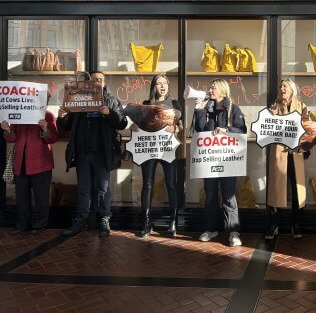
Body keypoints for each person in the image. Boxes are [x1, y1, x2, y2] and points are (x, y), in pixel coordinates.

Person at [58, 71, 127, 237]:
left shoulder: (110, 100)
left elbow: (122, 122)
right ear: (88, 83)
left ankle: (104, 219)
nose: (97, 82)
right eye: (94, 79)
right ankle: (81, 220)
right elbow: (67, 126)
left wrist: (108, 113)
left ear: (104, 83)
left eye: (100, 80)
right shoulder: (79, 98)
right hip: (82, 152)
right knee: (83, 189)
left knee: (103, 188)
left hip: (102, 153)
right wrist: (62, 117)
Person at [193, 78, 246, 247]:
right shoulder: (206, 108)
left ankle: (233, 231)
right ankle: (211, 229)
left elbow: (242, 130)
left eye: (213, 87)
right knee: (210, 195)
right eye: (210, 87)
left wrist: (227, 130)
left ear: (223, 91)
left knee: (228, 195)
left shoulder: (233, 108)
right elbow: (200, 131)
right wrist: (199, 111)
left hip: (228, 161)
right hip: (210, 161)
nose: (210, 90)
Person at [2, 95, 57, 234]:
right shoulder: (19, 115)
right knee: (21, 198)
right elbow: (11, 139)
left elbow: (53, 138)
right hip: (21, 162)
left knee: (41, 198)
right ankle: (22, 225)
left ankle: (40, 226)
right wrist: (8, 130)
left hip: (41, 163)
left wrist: (45, 128)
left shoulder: (48, 115)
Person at [135, 75, 183, 238]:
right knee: (147, 184)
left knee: (171, 183)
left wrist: (176, 129)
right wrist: (134, 126)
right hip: (149, 149)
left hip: (167, 149)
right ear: (153, 86)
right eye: (159, 83)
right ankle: (146, 222)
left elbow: (180, 125)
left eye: (165, 83)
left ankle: (173, 221)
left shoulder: (174, 103)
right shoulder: (146, 105)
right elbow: (139, 125)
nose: (162, 86)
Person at [265, 78, 309, 240]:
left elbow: (307, 129)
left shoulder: (302, 107)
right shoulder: (273, 107)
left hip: (296, 154)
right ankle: (274, 224)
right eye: (280, 86)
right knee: (276, 187)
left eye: (284, 86)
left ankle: (296, 223)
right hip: (279, 153)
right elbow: (267, 128)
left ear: (292, 89)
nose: (281, 89)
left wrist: (302, 145)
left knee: (297, 188)